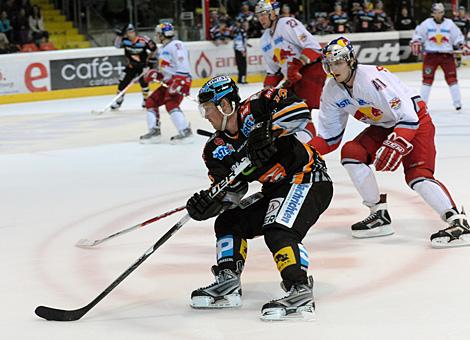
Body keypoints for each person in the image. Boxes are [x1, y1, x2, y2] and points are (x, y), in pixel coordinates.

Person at [187, 75, 333, 320]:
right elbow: (232, 191)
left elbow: (300, 111)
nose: (206, 116)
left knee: (278, 228)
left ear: (225, 105)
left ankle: (299, 288)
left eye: (208, 109)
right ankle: (228, 281)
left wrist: (268, 128)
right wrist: (210, 204)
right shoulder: (215, 148)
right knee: (228, 221)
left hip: (308, 178)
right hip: (275, 189)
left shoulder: (258, 105)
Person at [308, 36, 470, 248]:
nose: (334, 69)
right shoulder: (332, 90)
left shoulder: (372, 80)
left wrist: (398, 142)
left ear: (350, 61)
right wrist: (303, 152)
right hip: (384, 125)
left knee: (417, 175)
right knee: (352, 152)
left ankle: (458, 221)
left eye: (338, 62)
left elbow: (409, 117)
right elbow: (329, 137)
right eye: (329, 64)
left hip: (414, 121)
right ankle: (379, 215)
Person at [255, 0, 326, 111]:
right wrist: (266, 91)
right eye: (258, 15)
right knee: (285, 112)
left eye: (263, 14)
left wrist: (296, 66)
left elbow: (314, 48)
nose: (260, 18)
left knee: (300, 110)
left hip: (310, 70)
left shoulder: (287, 24)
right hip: (293, 79)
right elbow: (274, 71)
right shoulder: (264, 40)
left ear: (273, 13)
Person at [140, 22, 192, 144]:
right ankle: (154, 132)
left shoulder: (177, 45)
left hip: (180, 81)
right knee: (151, 101)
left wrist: (180, 81)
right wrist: (157, 75)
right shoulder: (163, 48)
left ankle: (185, 131)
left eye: (158, 34)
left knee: (171, 104)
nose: (156, 36)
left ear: (163, 34)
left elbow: (183, 65)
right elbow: (167, 70)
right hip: (169, 82)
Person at [410, 3, 469, 110]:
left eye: (441, 12)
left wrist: (462, 45)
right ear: (432, 13)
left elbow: (458, 37)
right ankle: (422, 105)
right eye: (436, 12)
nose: (438, 15)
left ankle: (457, 103)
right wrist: (416, 41)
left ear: (443, 13)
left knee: (452, 79)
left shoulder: (450, 24)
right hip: (431, 56)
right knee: (427, 80)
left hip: (447, 56)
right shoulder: (426, 24)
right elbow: (418, 35)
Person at [111, 23, 157, 110]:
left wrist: (150, 62)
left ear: (135, 32)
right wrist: (119, 36)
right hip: (131, 66)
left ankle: (146, 99)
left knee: (144, 83)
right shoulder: (124, 40)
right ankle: (118, 101)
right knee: (122, 82)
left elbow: (154, 49)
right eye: (128, 32)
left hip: (143, 66)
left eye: (131, 32)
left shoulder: (144, 40)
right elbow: (116, 46)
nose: (130, 34)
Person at [232, 19, 250, 84]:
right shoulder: (240, 31)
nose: (247, 25)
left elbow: (242, 40)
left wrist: (247, 44)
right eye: (245, 24)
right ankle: (242, 79)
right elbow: (238, 41)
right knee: (242, 65)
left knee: (241, 65)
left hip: (240, 49)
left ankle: (240, 79)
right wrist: (242, 50)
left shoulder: (241, 31)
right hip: (240, 50)